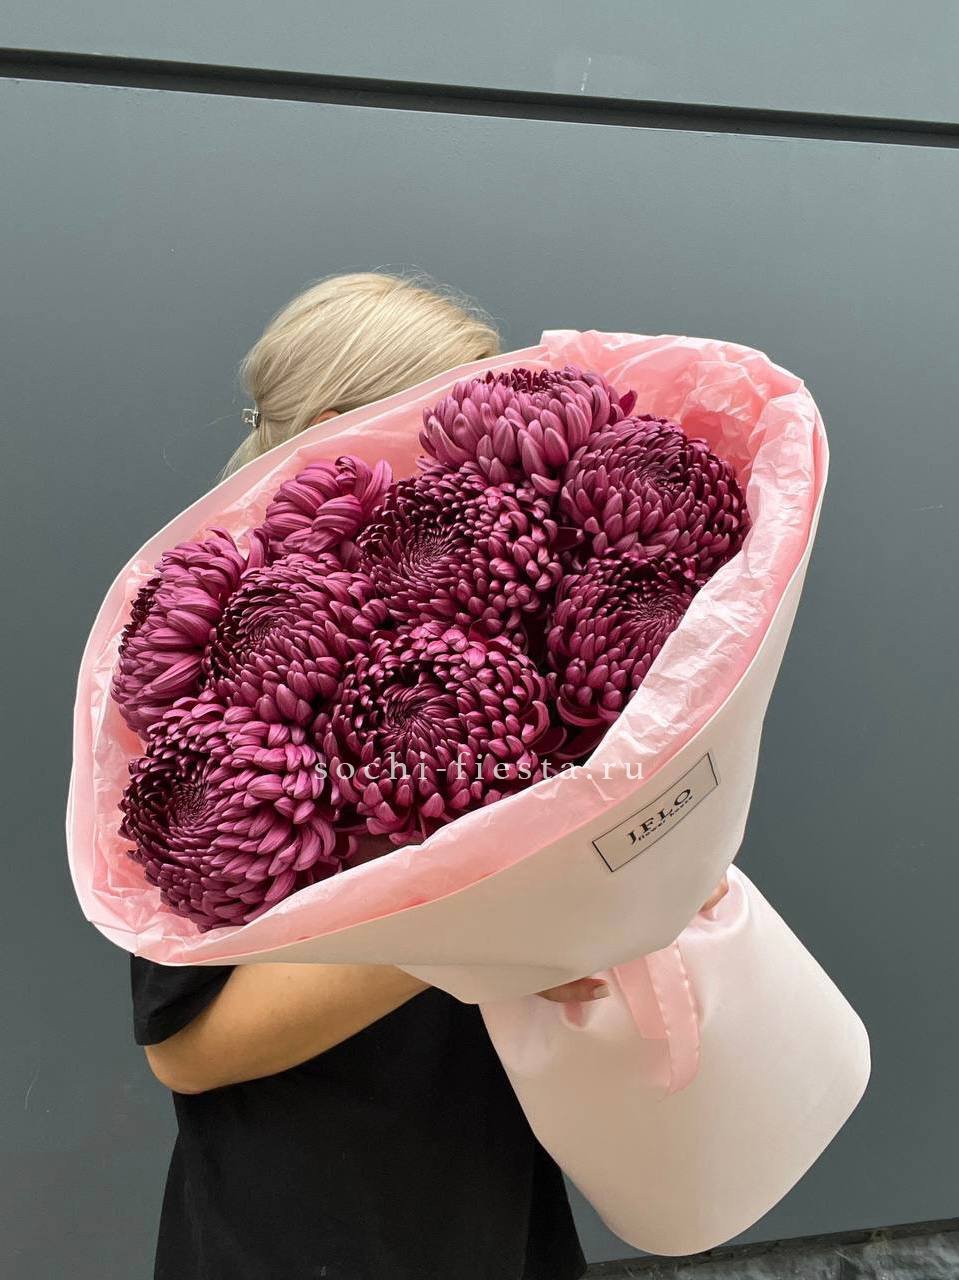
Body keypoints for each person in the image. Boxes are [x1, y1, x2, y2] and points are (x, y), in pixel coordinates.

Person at [131, 269, 729, 1280]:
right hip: (306, 1227)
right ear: (338, 432)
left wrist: (640, 878)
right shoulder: (208, 677)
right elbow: (185, 1049)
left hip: (501, 1189)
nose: (476, 451)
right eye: (446, 416)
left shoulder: (523, 615)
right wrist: (480, 919)